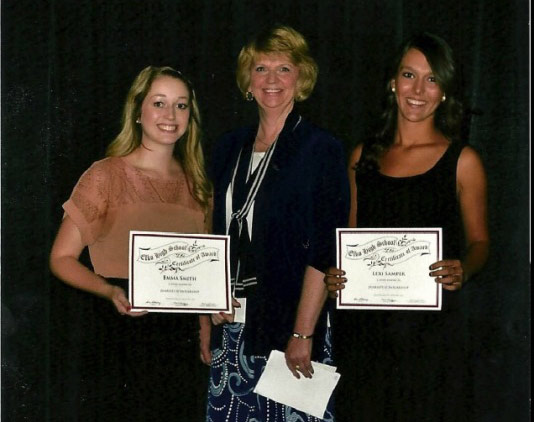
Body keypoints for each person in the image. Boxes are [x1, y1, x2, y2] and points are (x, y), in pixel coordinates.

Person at [325, 32, 489, 421]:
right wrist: (336, 275)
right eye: (409, 75)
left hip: (431, 340)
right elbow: (347, 244)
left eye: (432, 79)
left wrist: (464, 268)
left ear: (445, 91)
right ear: (392, 82)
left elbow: (481, 242)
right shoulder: (362, 157)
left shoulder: (463, 160)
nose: (418, 89)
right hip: (365, 337)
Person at [204, 25, 349, 422]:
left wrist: (303, 333)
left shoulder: (322, 148)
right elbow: (213, 235)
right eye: (261, 68)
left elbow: (325, 245)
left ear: (301, 78)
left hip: (290, 325)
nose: (272, 80)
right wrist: (205, 314)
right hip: (231, 323)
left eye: (283, 69)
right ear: (247, 80)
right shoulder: (227, 147)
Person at [49, 66, 212, 421]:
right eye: (159, 103)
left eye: (181, 106)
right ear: (138, 111)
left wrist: (204, 326)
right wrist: (110, 292)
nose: (170, 116)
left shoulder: (198, 185)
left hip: (179, 343)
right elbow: (61, 258)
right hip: (119, 336)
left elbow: (203, 272)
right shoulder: (105, 174)